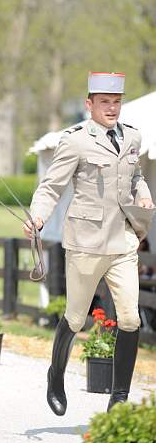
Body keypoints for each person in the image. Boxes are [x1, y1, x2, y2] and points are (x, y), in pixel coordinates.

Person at [24, 71, 155, 415]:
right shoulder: (75, 140)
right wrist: (37, 217)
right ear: (90, 104)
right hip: (85, 244)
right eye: (105, 102)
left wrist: (143, 196)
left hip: (123, 242)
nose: (112, 108)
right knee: (76, 318)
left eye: (116, 102)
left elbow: (136, 176)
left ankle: (119, 397)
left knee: (130, 320)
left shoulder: (132, 138)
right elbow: (52, 186)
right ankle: (56, 376)